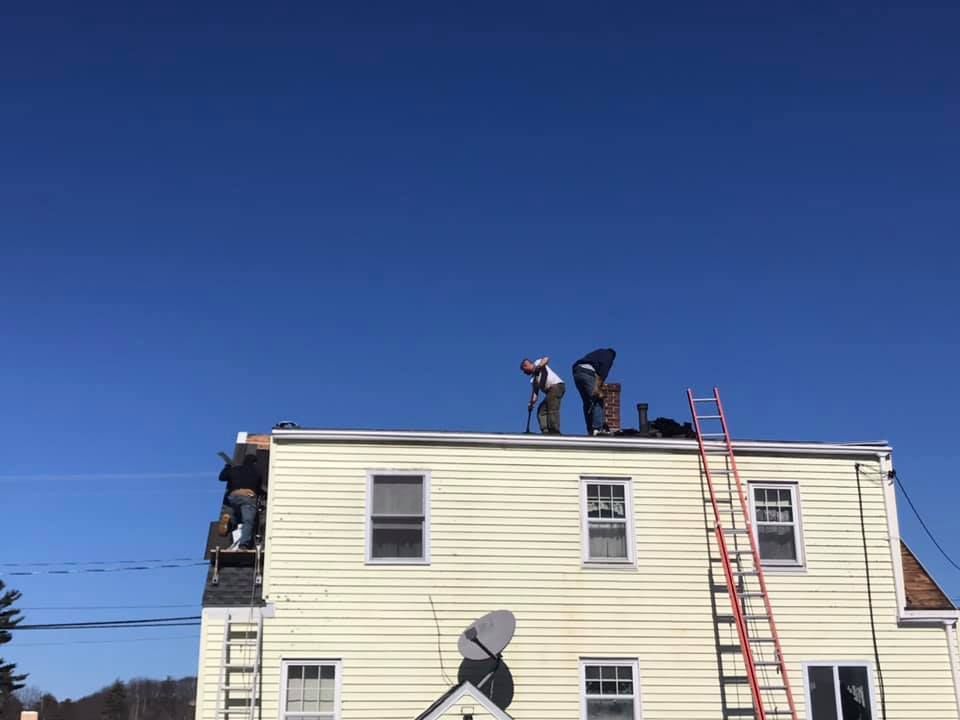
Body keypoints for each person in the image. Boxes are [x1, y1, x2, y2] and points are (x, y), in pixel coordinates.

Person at [217, 452, 263, 550]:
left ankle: (228, 519)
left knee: (235, 515)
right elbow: (258, 489)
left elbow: (221, 478)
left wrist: (227, 467)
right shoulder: (256, 472)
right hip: (248, 497)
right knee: (248, 521)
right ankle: (243, 545)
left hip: (233, 496)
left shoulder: (235, 469)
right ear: (254, 463)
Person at [572, 347, 617, 435]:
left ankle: (590, 429)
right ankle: (598, 428)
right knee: (597, 399)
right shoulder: (609, 356)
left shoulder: (599, 352)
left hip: (577, 372)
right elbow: (603, 373)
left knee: (588, 403)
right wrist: (598, 388)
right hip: (587, 373)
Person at [520, 356, 565, 434]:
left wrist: (539, 367)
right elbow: (535, 394)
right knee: (541, 410)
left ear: (527, 365)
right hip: (550, 392)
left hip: (556, 386)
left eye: (524, 370)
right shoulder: (533, 380)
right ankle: (546, 431)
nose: (524, 373)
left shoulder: (537, 362)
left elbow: (546, 359)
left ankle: (554, 431)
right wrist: (531, 403)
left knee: (551, 406)